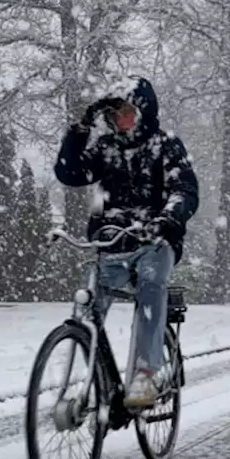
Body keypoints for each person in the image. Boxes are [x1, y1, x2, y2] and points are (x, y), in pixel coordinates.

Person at [54, 76, 199, 408]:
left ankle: (146, 375)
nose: (121, 121)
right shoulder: (106, 148)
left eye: (128, 113)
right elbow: (70, 173)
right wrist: (80, 130)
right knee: (89, 301)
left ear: (144, 112)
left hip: (155, 240)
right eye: (115, 115)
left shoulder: (165, 145)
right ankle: (86, 375)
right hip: (113, 242)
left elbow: (184, 191)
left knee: (151, 284)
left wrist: (167, 219)